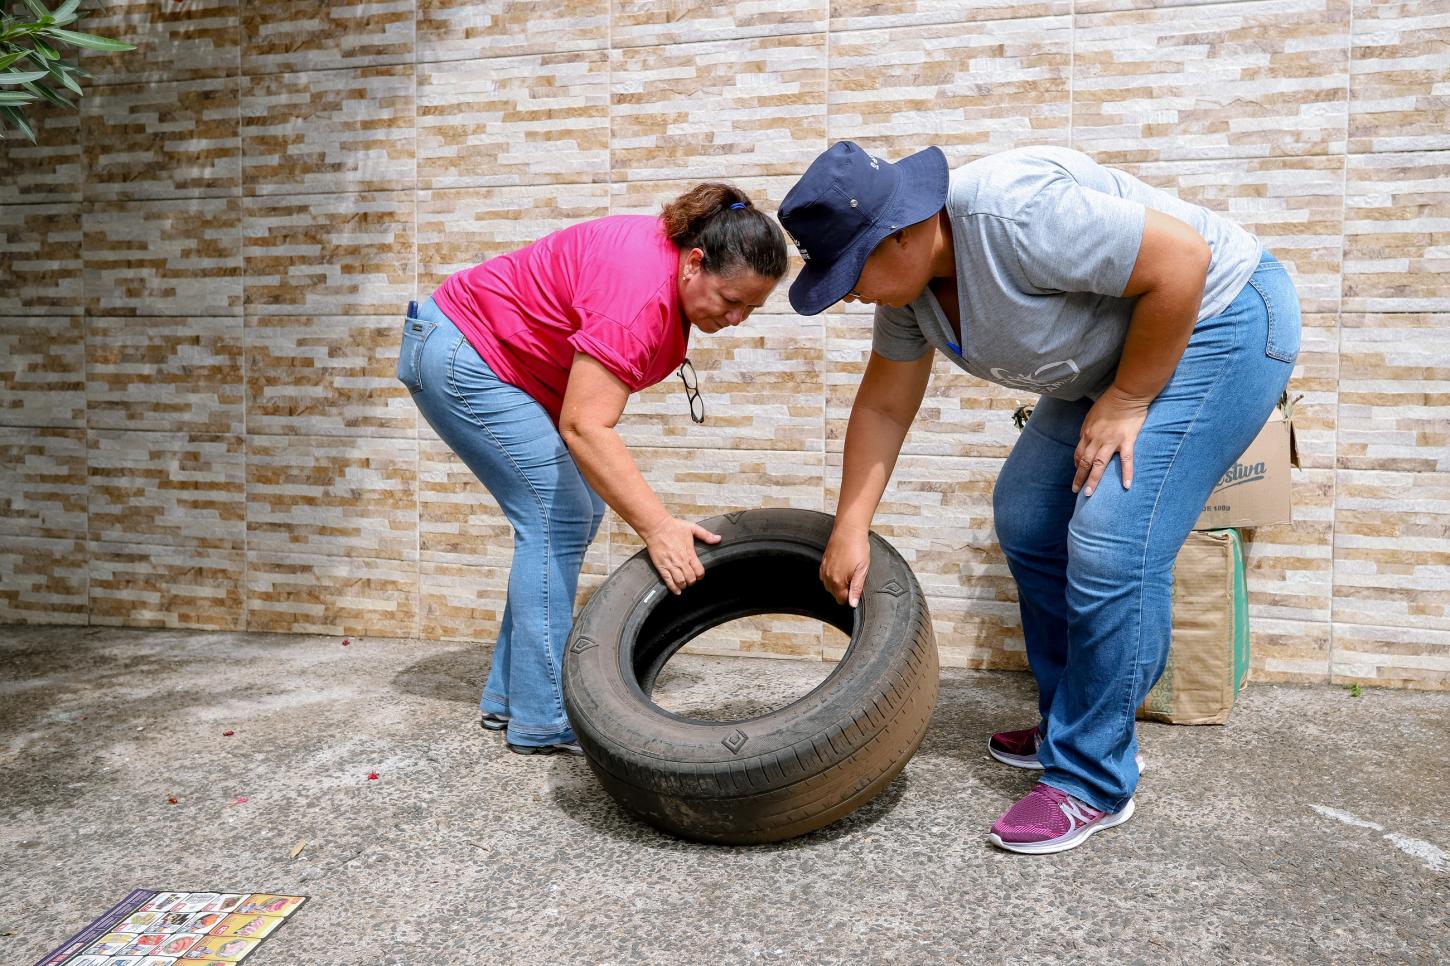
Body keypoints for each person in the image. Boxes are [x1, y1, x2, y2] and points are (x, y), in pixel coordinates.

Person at [780, 141, 1299, 854]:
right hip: (1128, 349)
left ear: (900, 231)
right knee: (1028, 514)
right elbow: (883, 407)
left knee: (1113, 539)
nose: (848, 293)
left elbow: (1181, 262)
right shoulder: (911, 293)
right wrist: (851, 525)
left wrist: (1129, 398)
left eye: (849, 273)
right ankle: (1075, 722)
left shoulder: (1013, 215)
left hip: (1223, 321)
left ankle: (1093, 778)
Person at [400, 185, 788, 756]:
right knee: (557, 517)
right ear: (694, 262)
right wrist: (658, 528)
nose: (734, 319)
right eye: (729, 300)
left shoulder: (666, 266)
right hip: (462, 354)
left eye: (749, 309)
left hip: (483, 355)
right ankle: (544, 717)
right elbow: (583, 426)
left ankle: (511, 698)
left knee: (573, 512)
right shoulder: (636, 296)